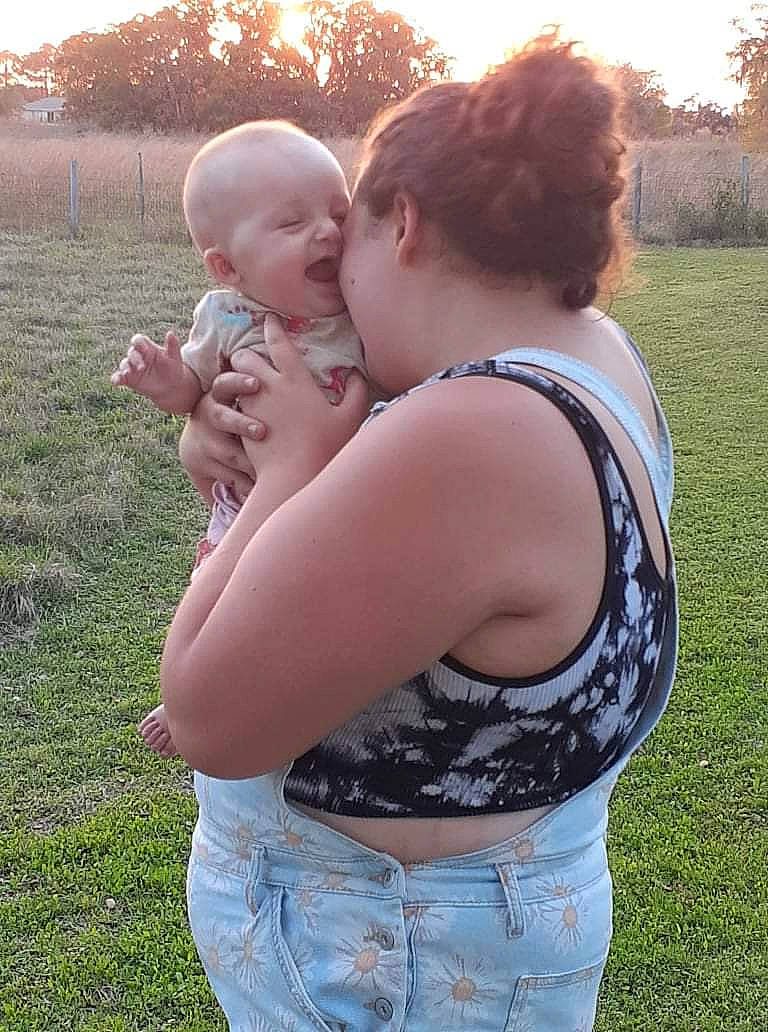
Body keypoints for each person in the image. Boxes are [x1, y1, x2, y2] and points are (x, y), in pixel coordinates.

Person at [160, 36, 677, 1032]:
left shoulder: (471, 436)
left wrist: (293, 468)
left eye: (344, 232)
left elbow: (209, 719)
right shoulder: (591, 355)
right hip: (478, 941)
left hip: (388, 969)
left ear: (400, 226)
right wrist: (213, 428)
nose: (334, 281)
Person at [110, 121, 369, 758]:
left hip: (342, 492)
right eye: (291, 224)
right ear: (228, 266)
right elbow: (193, 396)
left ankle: (309, 703)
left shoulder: (365, 304)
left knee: (324, 610)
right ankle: (196, 696)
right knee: (229, 598)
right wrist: (170, 382)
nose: (329, 231)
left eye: (338, 212)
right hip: (247, 501)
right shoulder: (225, 316)